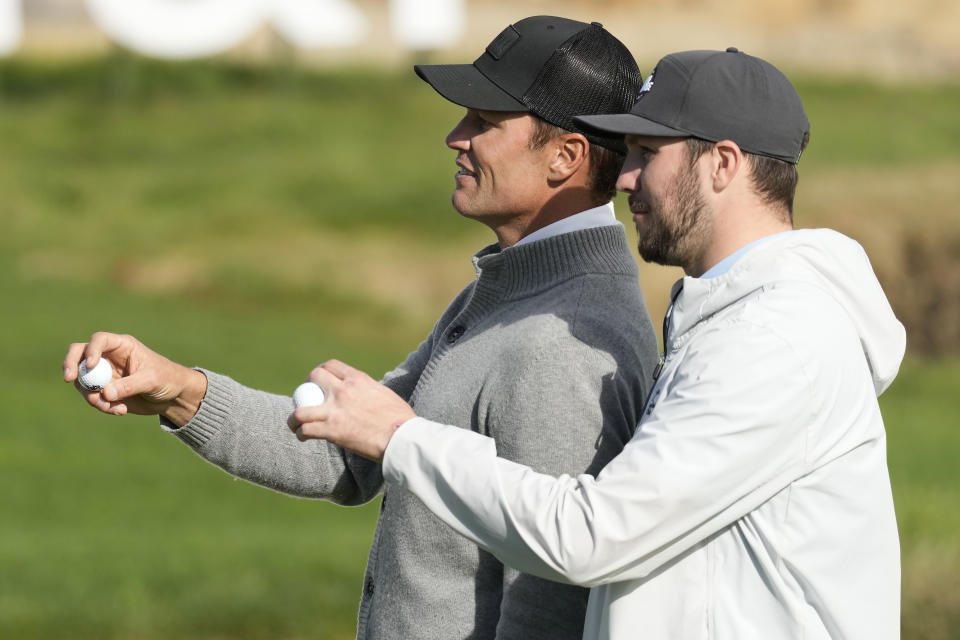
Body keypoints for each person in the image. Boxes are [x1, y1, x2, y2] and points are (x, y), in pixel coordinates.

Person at [63, 16, 661, 640]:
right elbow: (348, 456)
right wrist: (179, 390)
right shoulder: (513, 290)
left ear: (566, 156)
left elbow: (551, 600)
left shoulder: (565, 343)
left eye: (484, 123)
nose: (456, 138)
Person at [293, 48, 907, 639]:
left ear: (723, 163)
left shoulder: (772, 340)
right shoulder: (734, 319)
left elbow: (591, 536)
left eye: (646, 151)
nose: (626, 177)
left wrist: (403, 439)